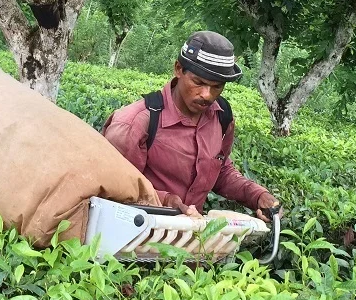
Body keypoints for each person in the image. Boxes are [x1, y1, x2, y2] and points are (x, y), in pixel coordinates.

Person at [101, 30, 282, 221]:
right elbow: (113, 188)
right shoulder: (135, 122)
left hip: (192, 242)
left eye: (217, 86)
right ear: (178, 69)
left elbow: (220, 171)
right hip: (136, 240)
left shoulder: (222, 117)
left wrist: (257, 196)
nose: (207, 95)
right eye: (199, 82)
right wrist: (167, 202)